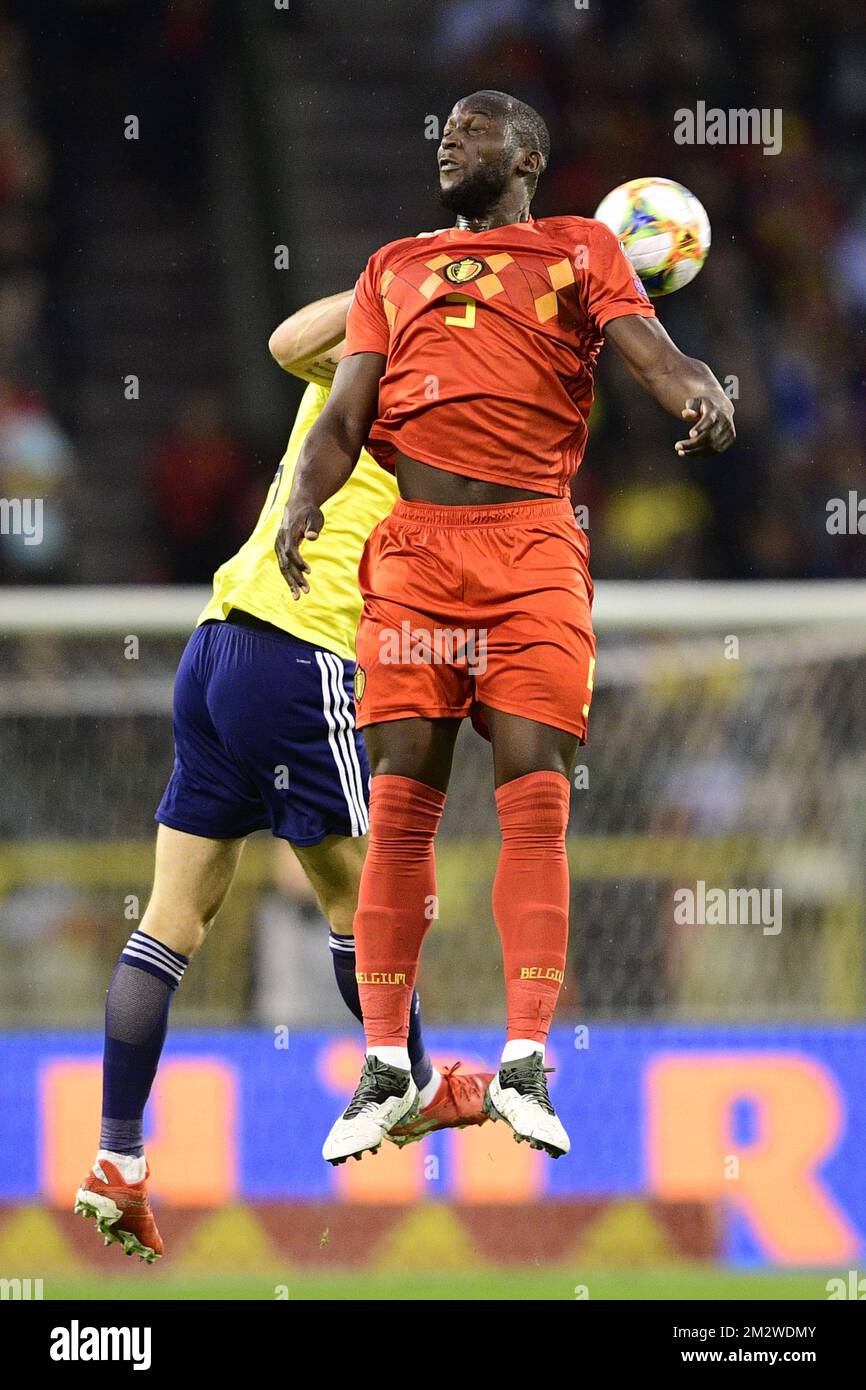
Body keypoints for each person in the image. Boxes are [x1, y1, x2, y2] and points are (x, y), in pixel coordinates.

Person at [276, 89, 735, 1165]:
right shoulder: (393, 266)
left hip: (530, 554)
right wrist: (306, 491)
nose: (449, 136)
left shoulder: (579, 251)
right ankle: (388, 1062)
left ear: (525, 156)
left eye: (475, 127)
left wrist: (704, 399)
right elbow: (345, 414)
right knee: (398, 808)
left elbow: (655, 358)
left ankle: (524, 1058)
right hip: (415, 553)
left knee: (533, 800)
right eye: (442, 125)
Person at [73, 291, 492, 1263]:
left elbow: (282, 340)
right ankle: (412, 1082)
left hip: (217, 648)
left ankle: (116, 1159)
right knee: (366, 903)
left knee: (170, 920)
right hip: (301, 660)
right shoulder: (463, 424)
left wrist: (395, 283)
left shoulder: (361, 364)